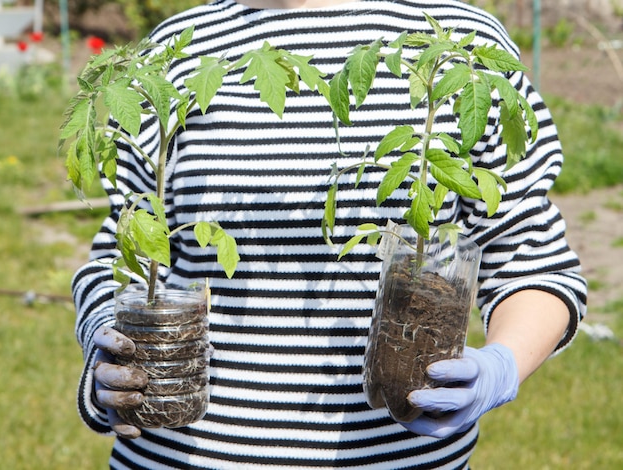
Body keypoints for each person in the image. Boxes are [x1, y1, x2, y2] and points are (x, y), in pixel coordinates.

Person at [72, 0, 587, 468]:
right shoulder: (172, 51)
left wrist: (501, 367)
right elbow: (120, 255)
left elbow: (531, 260)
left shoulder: (463, 43)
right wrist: (106, 352)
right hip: (179, 456)